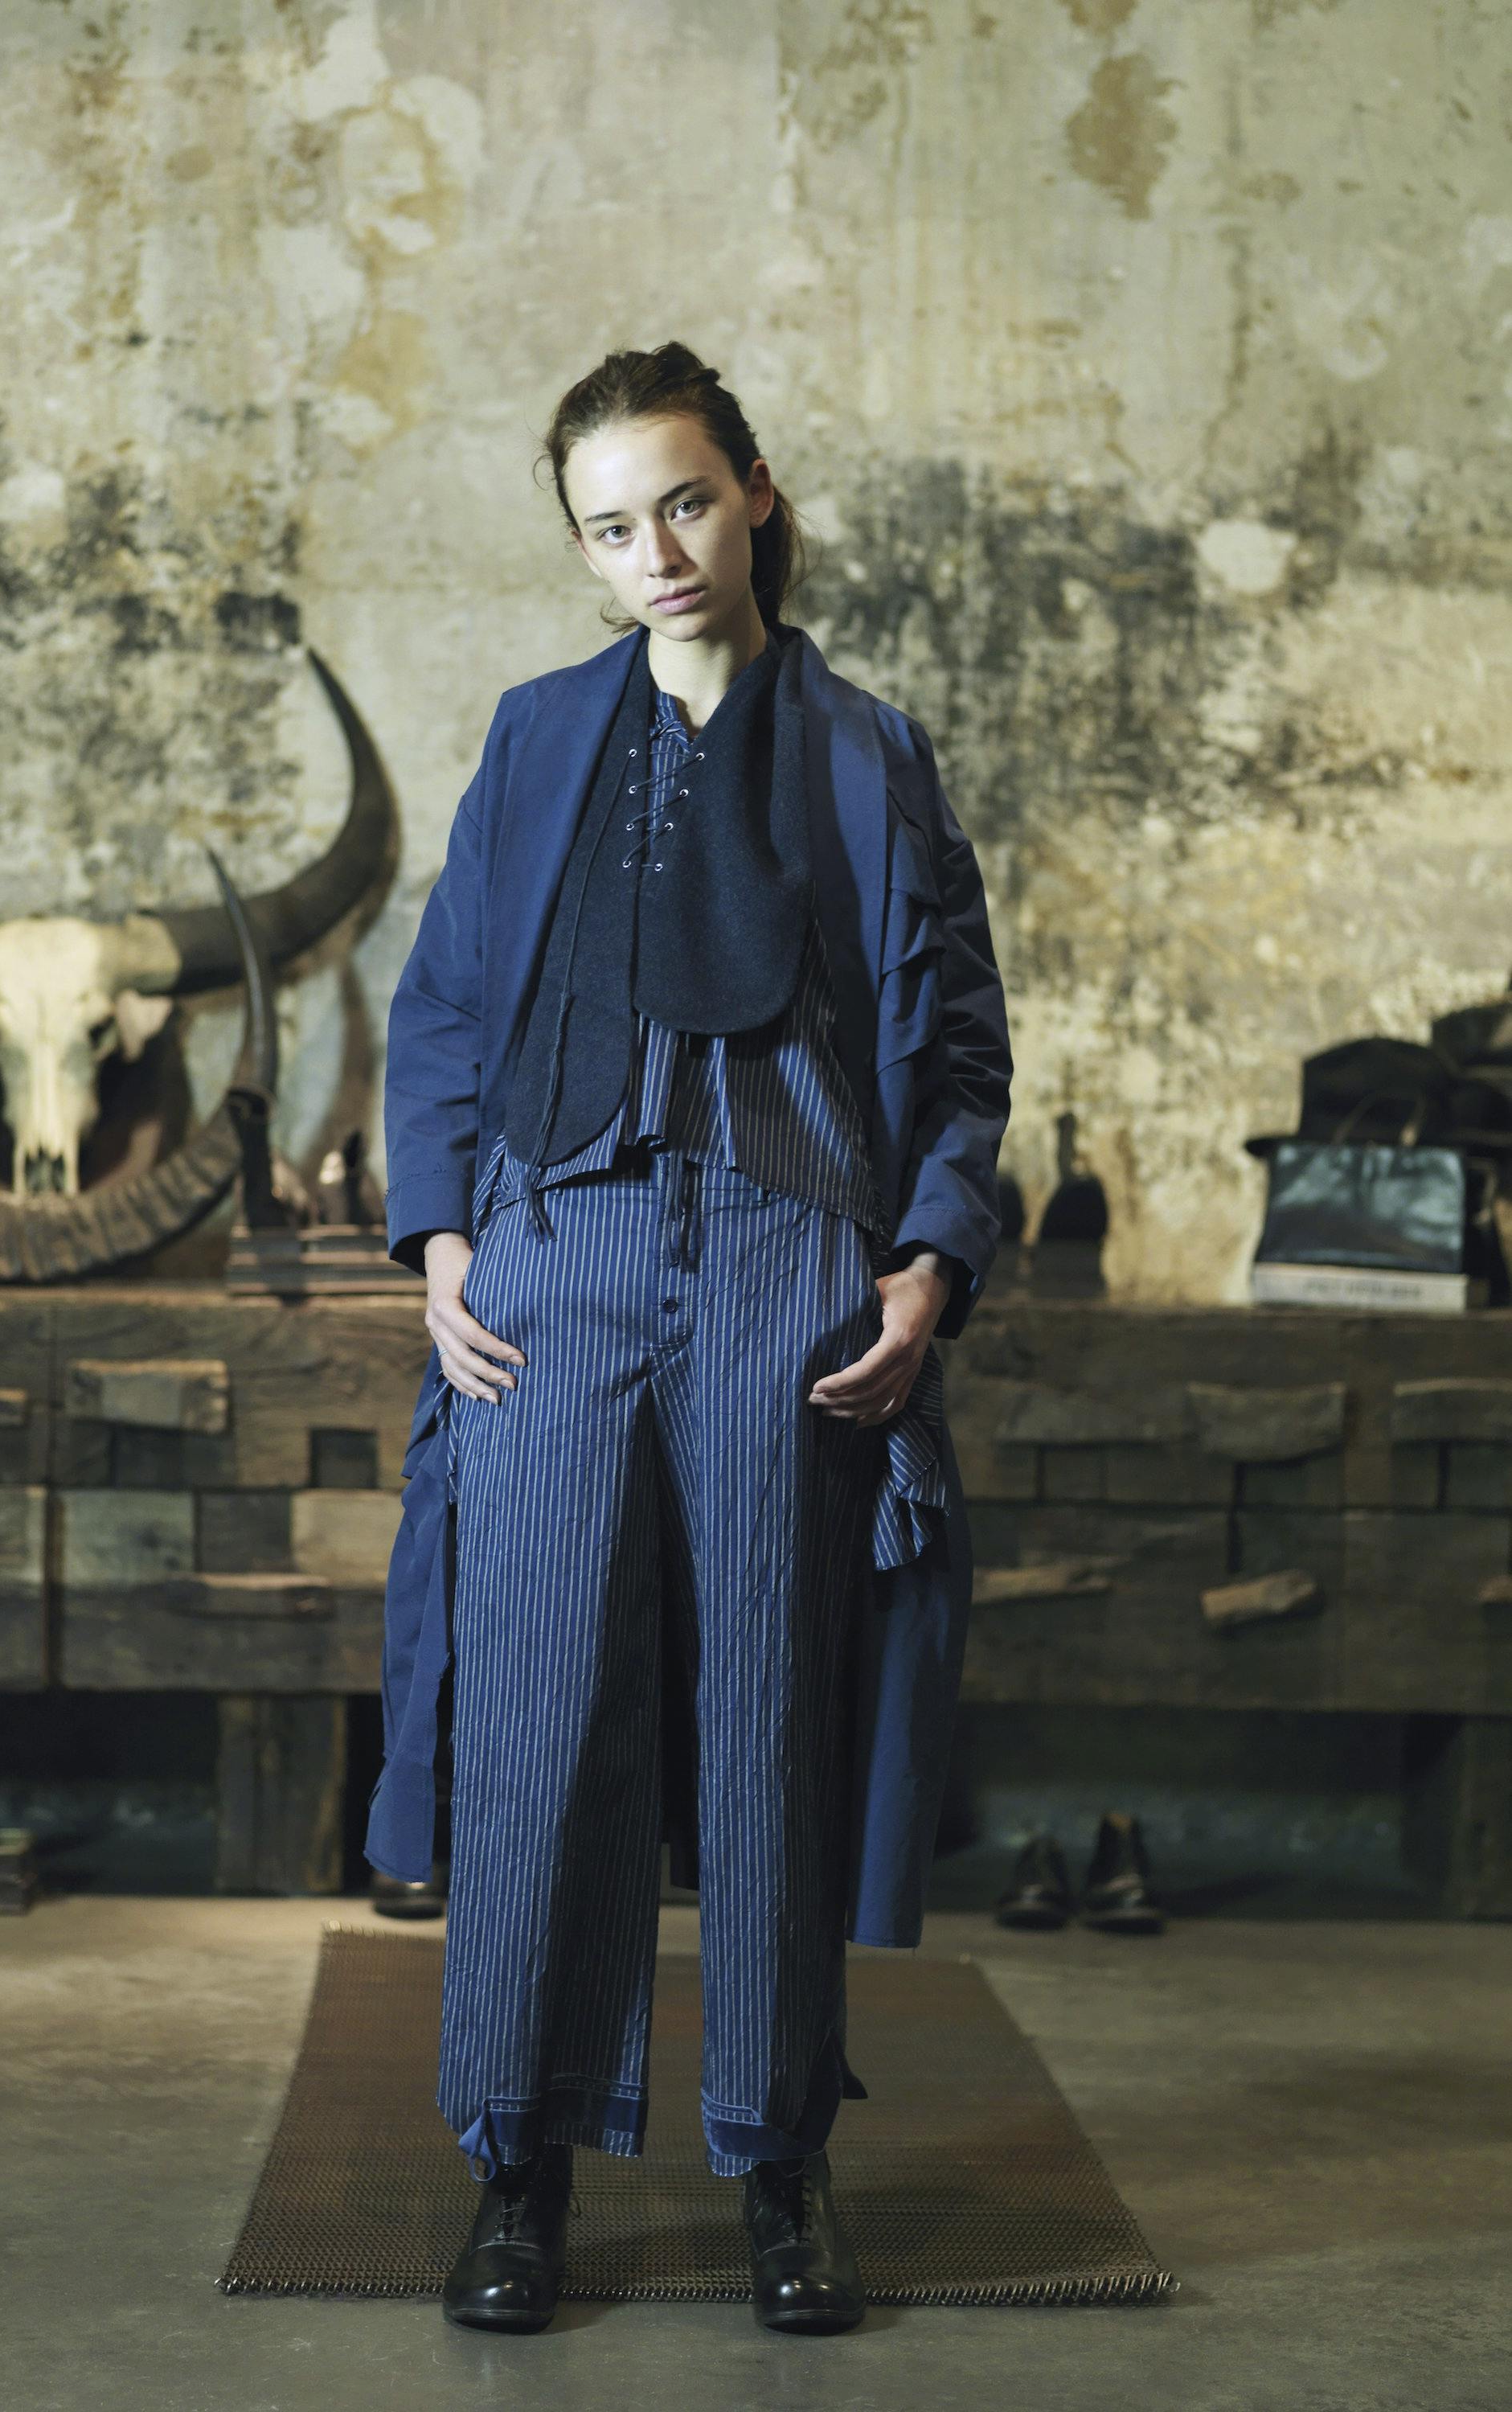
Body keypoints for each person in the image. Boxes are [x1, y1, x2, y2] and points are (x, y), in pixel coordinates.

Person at [368, 342, 1013, 2336]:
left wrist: (926, 1266)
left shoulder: (869, 754)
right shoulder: (535, 735)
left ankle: (779, 2164)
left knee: (770, 1728)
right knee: (538, 1726)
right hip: (551, 1271)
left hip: (781, 1267)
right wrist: (443, 1237)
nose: (652, 551)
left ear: (753, 497)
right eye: (608, 527)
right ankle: (518, 2172)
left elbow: (962, 1051)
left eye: (682, 504)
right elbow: (444, 1007)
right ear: (581, 553)